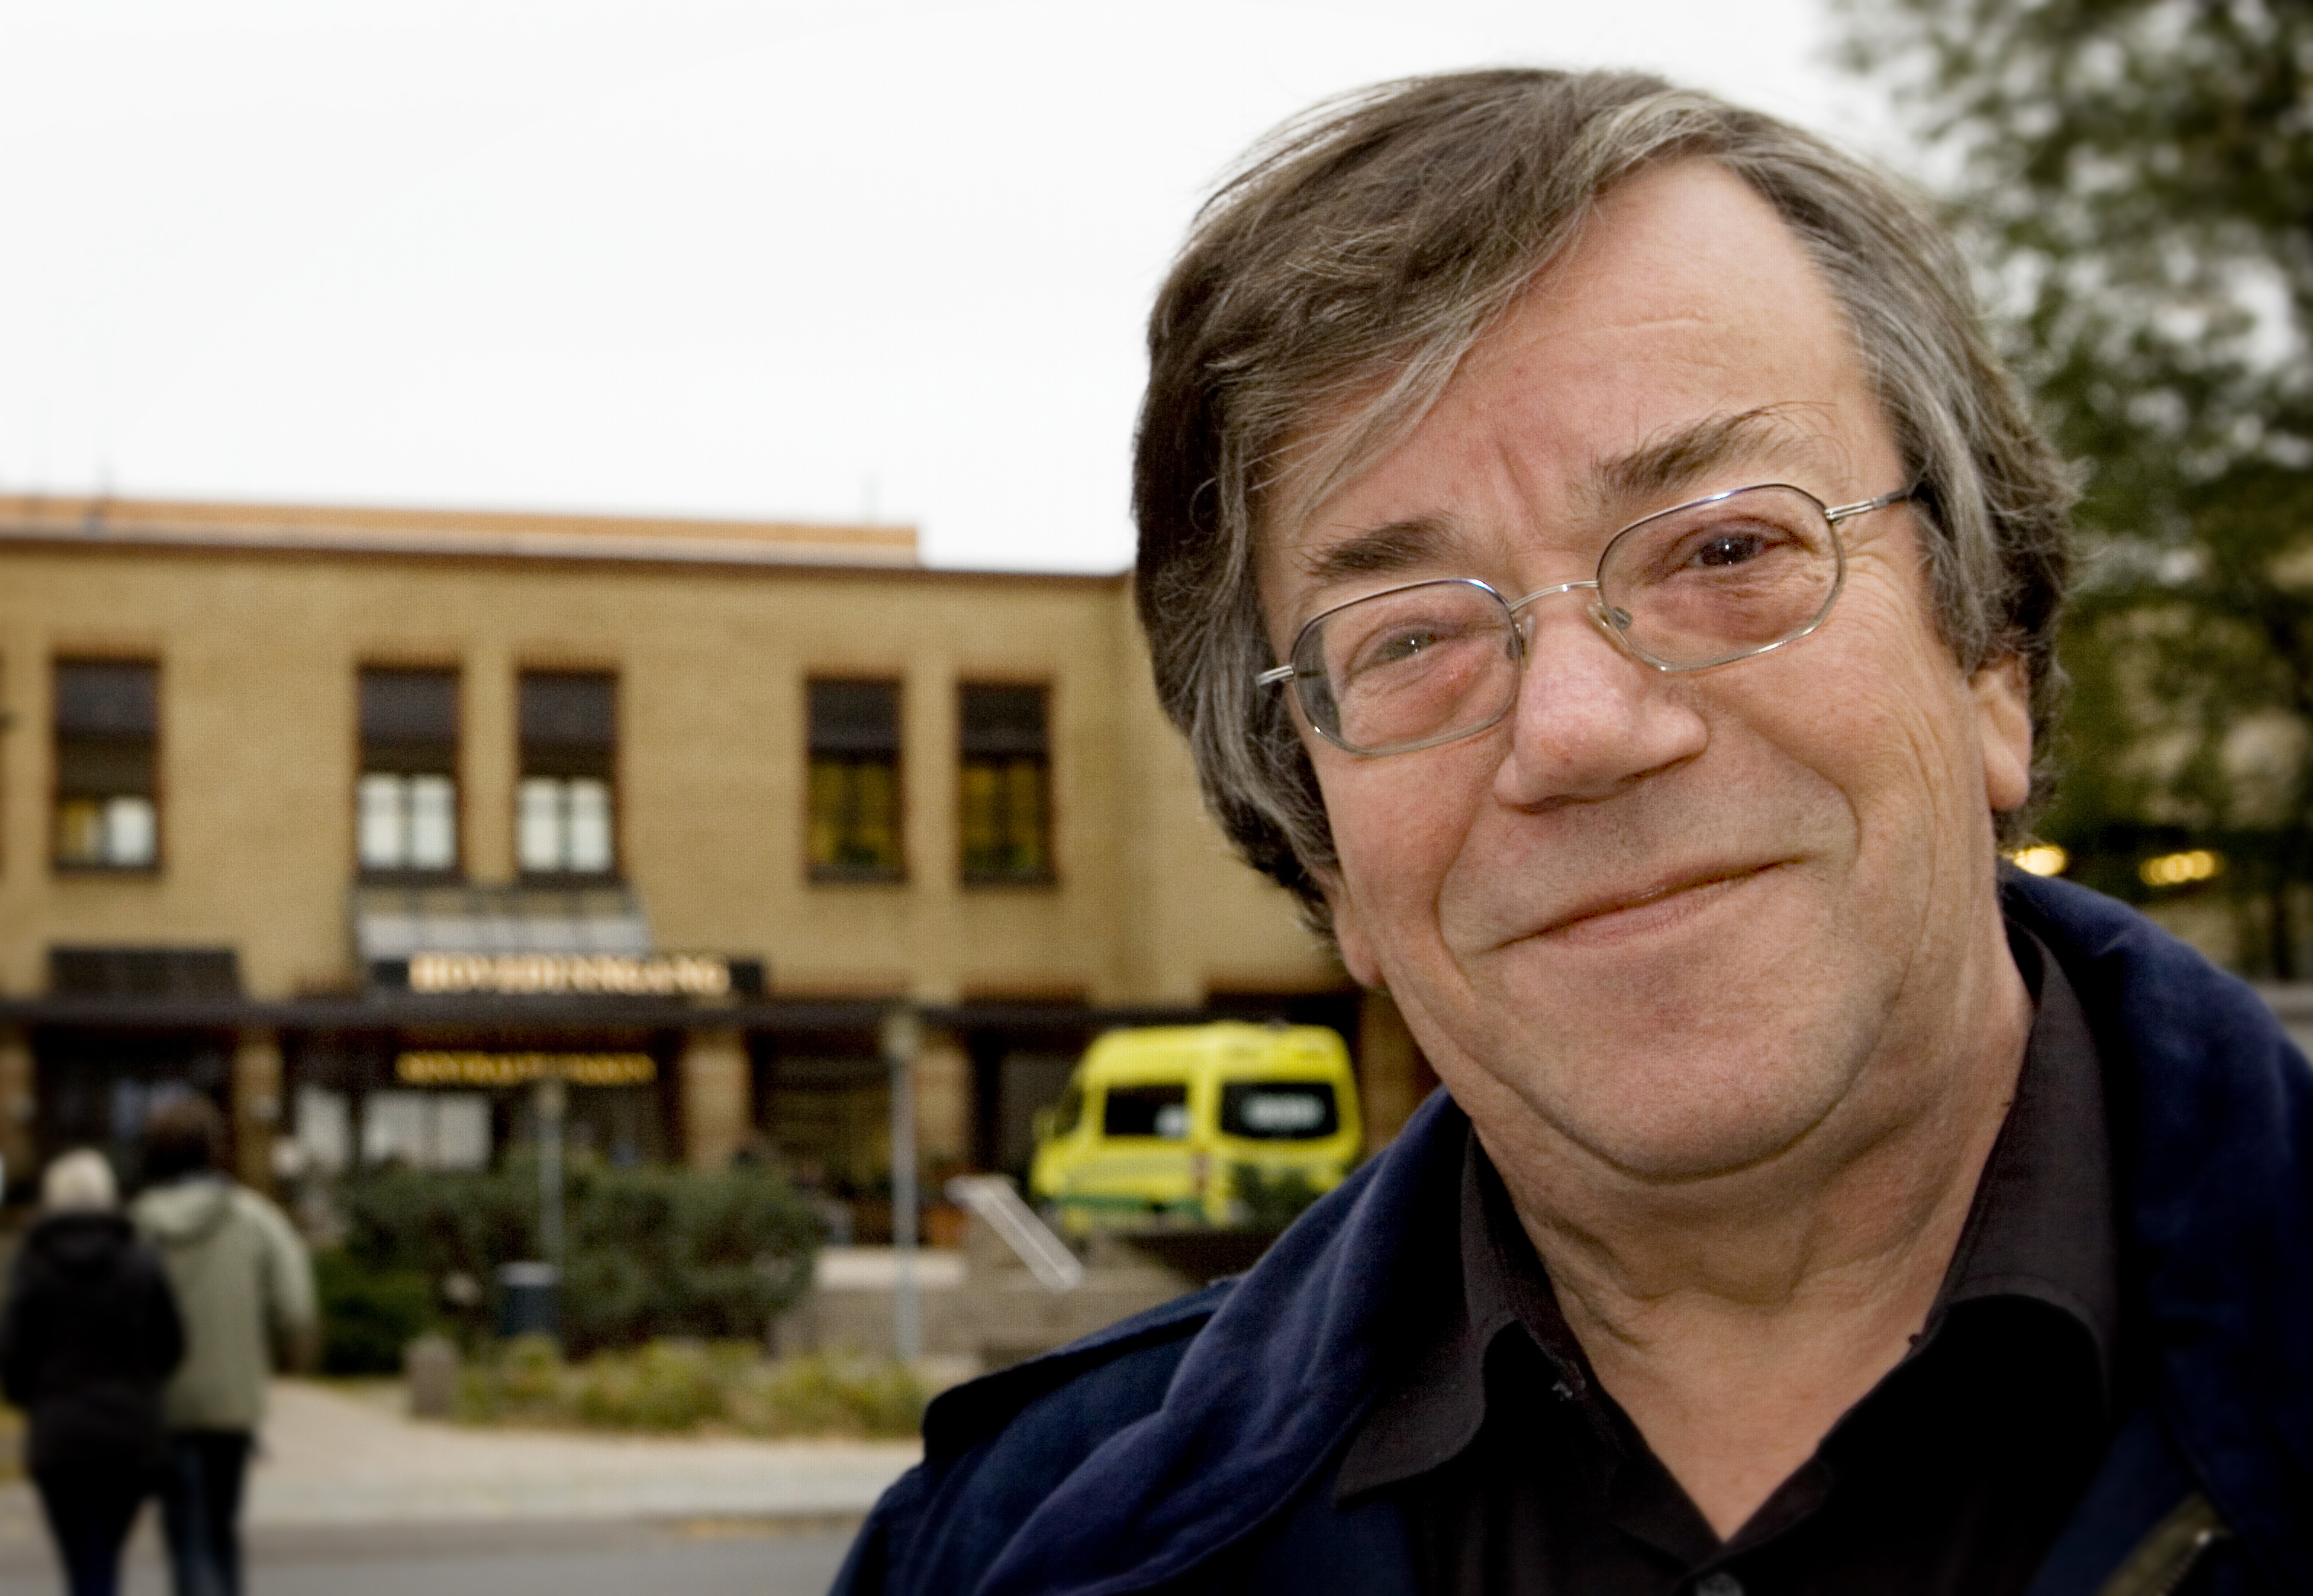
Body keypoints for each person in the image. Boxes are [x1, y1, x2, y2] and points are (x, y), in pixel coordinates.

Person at [836, 70, 2312, 1595]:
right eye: (1410, 637)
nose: (1578, 730)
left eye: (1724, 547)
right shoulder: (1011, 1548)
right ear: (1323, 849)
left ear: (1987, 654)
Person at [132, 1096, 317, 1596]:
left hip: (162, 1404)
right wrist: (284, 1362)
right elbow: (296, 1306)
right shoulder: (254, 1217)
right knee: (222, 1530)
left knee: (186, 1538)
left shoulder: (137, 1225)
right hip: (234, 1402)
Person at [1, 1150, 186, 1596]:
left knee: (84, 1560)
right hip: (130, 1436)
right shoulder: (142, 1258)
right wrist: (143, 1384)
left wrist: (33, 1399)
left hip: (60, 1436)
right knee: (103, 1556)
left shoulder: (33, 1262)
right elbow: (171, 1343)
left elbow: (14, 1352)